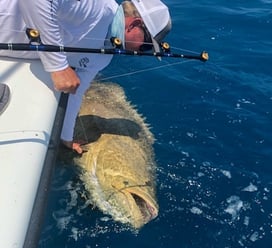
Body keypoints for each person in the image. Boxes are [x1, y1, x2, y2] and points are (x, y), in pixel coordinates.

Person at [0, 0, 171, 154]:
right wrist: (58, 66)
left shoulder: (104, 55)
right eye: (145, 47)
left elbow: (77, 92)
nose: (139, 53)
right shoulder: (96, 6)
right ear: (134, 24)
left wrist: (66, 136)